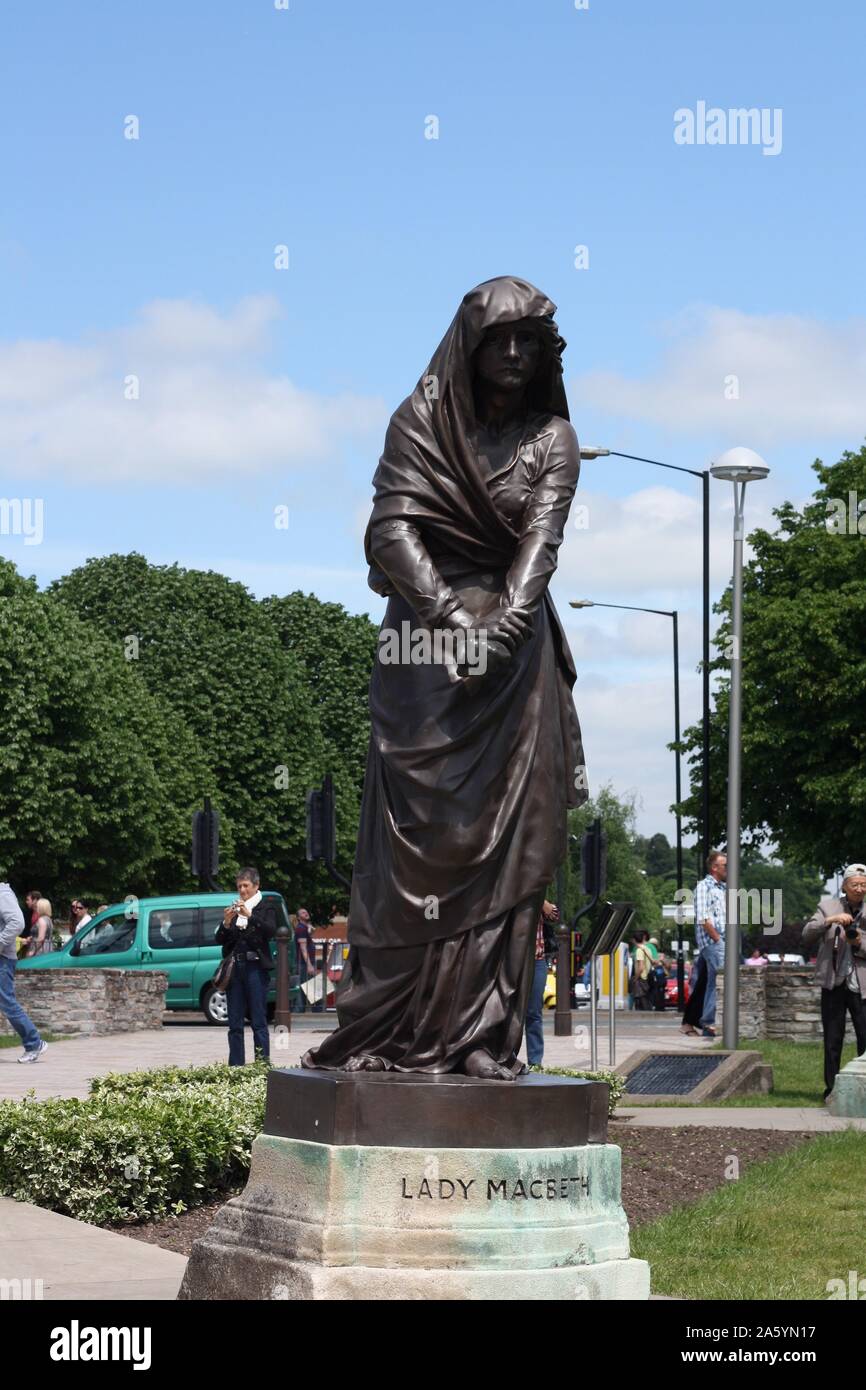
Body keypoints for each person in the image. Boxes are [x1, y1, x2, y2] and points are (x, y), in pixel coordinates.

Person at [303, 277, 586, 1079]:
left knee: (511, 842)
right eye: (498, 339)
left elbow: (541, 540)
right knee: (420, 842)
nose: (513, 354)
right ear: (467, 346)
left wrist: (503, 628)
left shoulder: (554, 439)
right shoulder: (419, 420)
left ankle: (481, 1036)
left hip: (514, 654)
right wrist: (455, 623)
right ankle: (393, 1027)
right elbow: (391, 528)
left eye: (529, 341)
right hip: (425, 654)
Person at [802, 863, 866, 1100]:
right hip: (834, 982)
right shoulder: (827, 906)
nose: (859, 889)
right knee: (832, 1038)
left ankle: (864, 1089)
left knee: (865, 1037)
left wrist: (859, 943)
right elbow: (807, 934)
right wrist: (830, 920)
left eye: (863, 885)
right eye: (855, 884)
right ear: (844, 886)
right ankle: (832, 1089)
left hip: (862, 986)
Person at [215, 868, 276, 1066]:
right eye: (239, 886)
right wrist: (226, 922)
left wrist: (250, 916)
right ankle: (236, 1067)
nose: (242, 890)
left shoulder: (265, 906)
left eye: (246, 886)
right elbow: (220, 940)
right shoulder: (234, 909)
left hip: (256, 968)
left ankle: (261, 1065)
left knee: (258, 1020)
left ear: (256, 886)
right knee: (234, 1023)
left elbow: (269, 932)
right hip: (236, 969)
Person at [0, 880, 48, 1062]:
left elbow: (17, 923)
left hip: (3, 959)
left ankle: (34, 1043)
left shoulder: (2, 894)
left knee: (7, 1003)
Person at [693, 850, 727, 1038]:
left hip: (721, 941)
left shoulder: (722, 888)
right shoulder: (703, 887)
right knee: (722, 981)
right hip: (714, 941)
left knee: (714, 982)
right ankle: (711, 1022)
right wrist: (717, 939)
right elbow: (703, 917)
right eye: (725, 865)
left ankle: (709, 1022)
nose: (728, 869)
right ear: (714, 867)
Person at [523, 900, 559, 1067]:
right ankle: (508, 1058)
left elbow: (555, 915)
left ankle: (535, 1061)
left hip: (538, 959)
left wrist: (543, 903)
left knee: (534, 1013)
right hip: (516, 960)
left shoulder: (539, 896)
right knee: (512, 1013)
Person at [293, 907, 319, 1013]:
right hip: (304, 963)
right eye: (303, 913)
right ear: (299, 917)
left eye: (306, 912)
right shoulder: (301, 929)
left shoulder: (304, 928)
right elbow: (303, 948)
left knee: (309, 985)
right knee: (308, 985)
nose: (306, 913)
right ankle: (302, 1010)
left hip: (305, 962)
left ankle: (307, 1009)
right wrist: (309, 965)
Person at [629, 931, 654, 1011]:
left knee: (640, 1000)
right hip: (647, 977)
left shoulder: (639, 950)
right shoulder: (647, 949)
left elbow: (641, 967)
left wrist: (635, 978)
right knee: (645, 999)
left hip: (641, 978)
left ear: (634, 940)